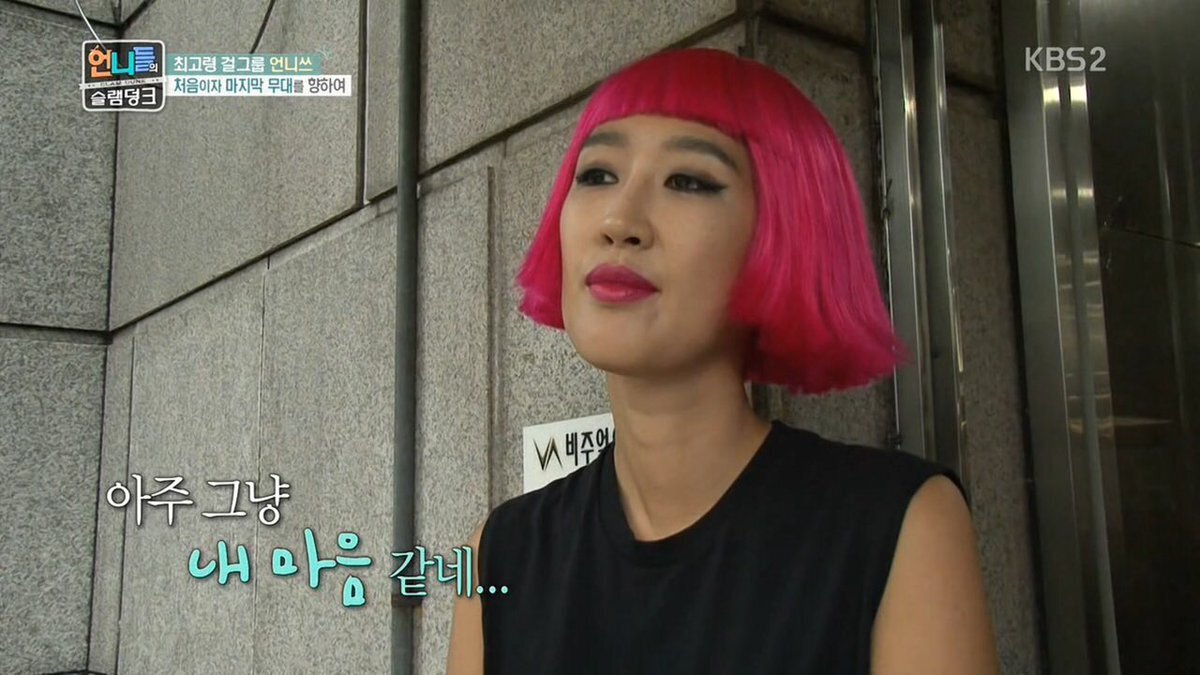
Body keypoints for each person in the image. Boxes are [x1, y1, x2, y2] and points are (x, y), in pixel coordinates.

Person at [446, 47, 998, 674]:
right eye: (597, 174)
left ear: (784, 232)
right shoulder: (498, 556)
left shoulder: (899, 524)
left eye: (688, 181)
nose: (619, 220)